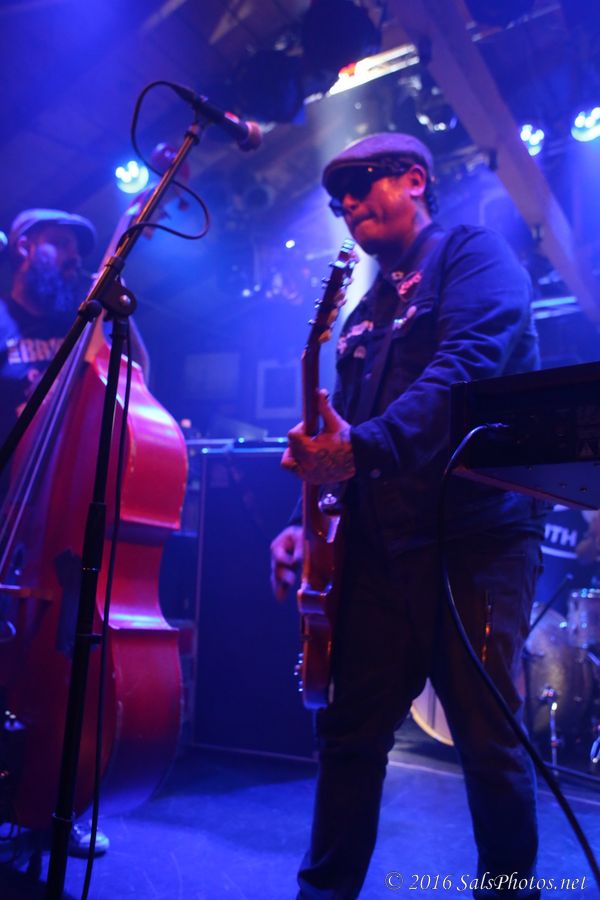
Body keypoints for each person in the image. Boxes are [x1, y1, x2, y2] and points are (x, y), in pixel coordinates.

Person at [270, 133, 546, 899]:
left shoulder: (472, 255)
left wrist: (362, 447)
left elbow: (467, 369)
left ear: (415, 179)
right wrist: (303, 520)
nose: (347, 202)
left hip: (474, 541)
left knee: (487, 741)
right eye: (337, 197)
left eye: (361, 182)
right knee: (347, 734)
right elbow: (341, 435)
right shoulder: (363, 312)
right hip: (380, 550)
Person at [0, 208, 110, 857]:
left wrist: (113, 320)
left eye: (77, 248)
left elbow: (131, 386)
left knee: (64, 664)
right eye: (59, 244)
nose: (69, 256)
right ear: (24, 245)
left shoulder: (79, 328)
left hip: (58, 518)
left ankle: (53, 802)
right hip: (6, 513)